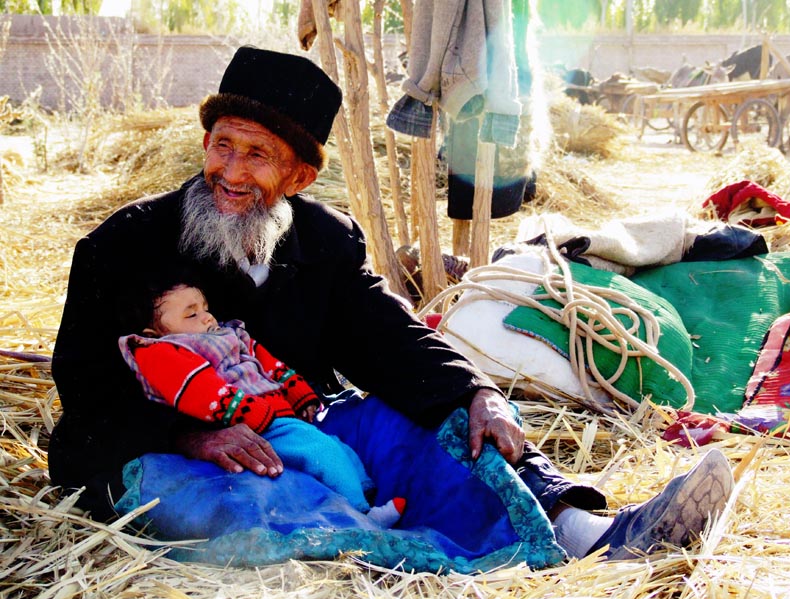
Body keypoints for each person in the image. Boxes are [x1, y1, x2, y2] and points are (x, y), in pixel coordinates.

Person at [50, 46, 733, 562]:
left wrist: (477, 391)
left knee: (438, 431)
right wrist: (190, 433)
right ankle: (396, 559)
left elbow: (390, 339)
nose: (230, 171)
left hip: (310, 423)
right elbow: (84, 389)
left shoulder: (323, 238)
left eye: (258, 156)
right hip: (172, 446)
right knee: (269, 504)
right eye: (222, 145)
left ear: (300, 175)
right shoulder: (124, 246)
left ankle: (591, 534)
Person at [117, 278, 405, 527]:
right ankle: (362, 515)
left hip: (278, 417)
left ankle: (362, 492)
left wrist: (297, 390)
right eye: (191, 315)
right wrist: (248, 412)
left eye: (204, 307)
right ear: (154, 332)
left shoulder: (229, 333)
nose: (206, 317)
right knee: (320, 451)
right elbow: (200, 389)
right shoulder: (161, 351)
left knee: (334, 447)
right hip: (255, 427)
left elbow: (267, 363)